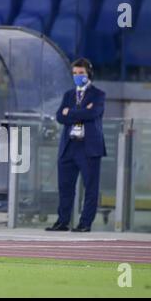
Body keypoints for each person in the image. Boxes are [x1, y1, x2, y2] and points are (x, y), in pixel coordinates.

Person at [46, 58, 106, 233]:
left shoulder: (98, 94)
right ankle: (62, 221)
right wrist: (81, 112)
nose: (78, 76)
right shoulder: (69, 95)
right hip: (69, 145)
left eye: (81, 73)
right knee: (65, 187)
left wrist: (70, 112)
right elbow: (60, 116)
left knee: (90, 188)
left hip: (89, 147)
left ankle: (85, 223)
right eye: (75, 73)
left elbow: (94, 113)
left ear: (89, 74)